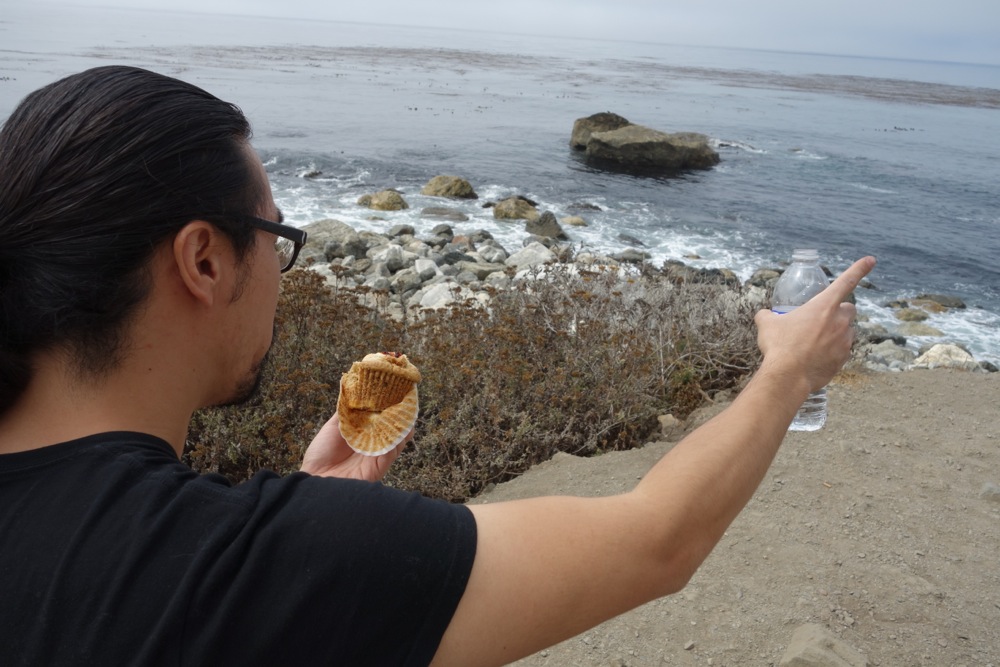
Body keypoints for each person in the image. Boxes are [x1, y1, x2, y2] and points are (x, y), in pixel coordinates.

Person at [0, 65, 875, 666]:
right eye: (276, 235)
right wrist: (787, 372)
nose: (281, 269)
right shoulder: (243, 566)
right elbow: (658, 540)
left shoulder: (211, 559)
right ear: (203, 260)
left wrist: (302, 517)